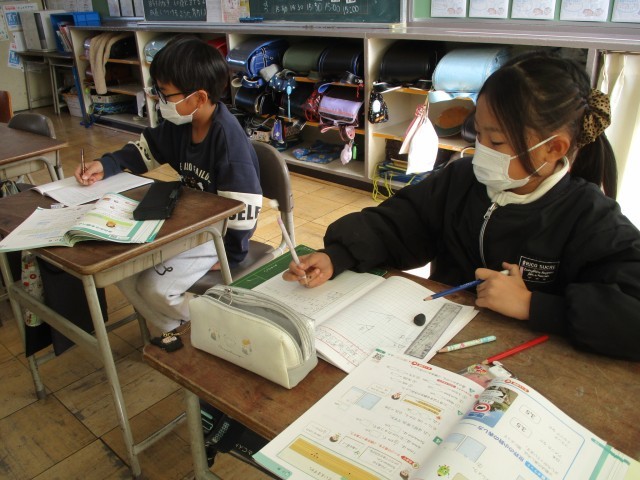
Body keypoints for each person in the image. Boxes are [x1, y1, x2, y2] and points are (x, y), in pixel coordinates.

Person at [283, 51, 640, 361]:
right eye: (478, 134)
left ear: (553, 148)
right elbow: (401, 224)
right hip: (438, 339)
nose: (480, 150)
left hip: (529, 361)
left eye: (495, 141)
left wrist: (533, 305)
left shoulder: (589, 216)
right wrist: (339, 255)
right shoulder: (461, 179)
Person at [75, 35, 262, 334]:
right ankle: (176, 330)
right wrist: (106, 164)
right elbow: (146, 150)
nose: (158, 100)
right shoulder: (180, 124)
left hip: (217, 236)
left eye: (165, 94)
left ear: (198, 98)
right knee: (118, 270)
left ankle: (203, 327)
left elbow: (244, 211)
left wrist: (230, 255)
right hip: (186, 224)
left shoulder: (228, 143)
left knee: (155, 288)